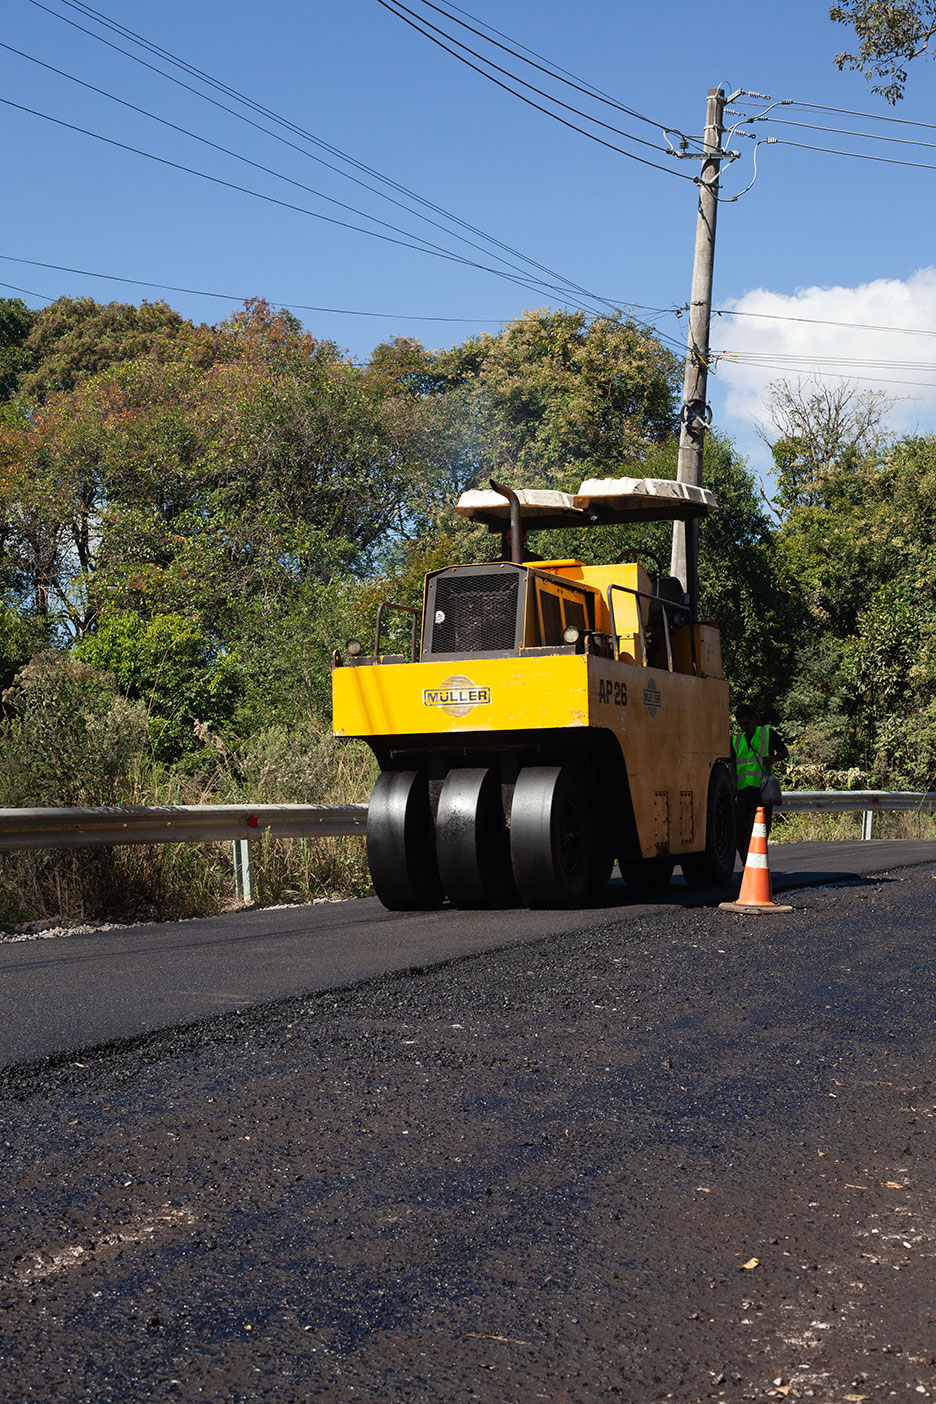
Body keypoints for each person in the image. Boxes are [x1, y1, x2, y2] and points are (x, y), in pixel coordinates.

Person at [732, 704, 788, 864]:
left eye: (746, 723)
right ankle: (747, 864)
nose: (744, 727)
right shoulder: (736, 741)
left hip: (762, 793)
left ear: (754, 719)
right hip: (743, 794)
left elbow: (784, 752)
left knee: (758, 831)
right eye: (741, 724)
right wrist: (732, 786)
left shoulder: (767, 734)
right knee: (739, 833)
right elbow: (732, 765)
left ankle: (753, 866)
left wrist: (773, 759)